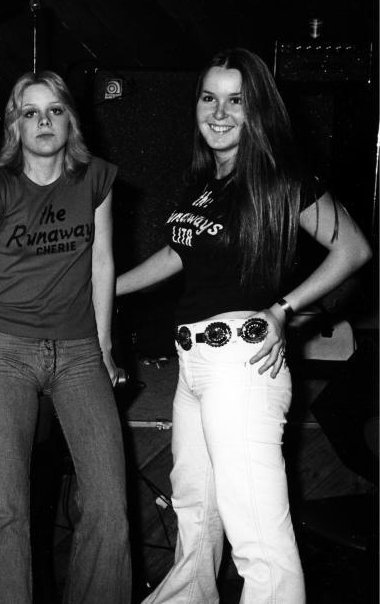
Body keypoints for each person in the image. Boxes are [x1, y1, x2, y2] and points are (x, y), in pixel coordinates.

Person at [117, 47, 372, 603]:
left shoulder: (280, 178)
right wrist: (107, 287)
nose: (220, 112)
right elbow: (180, 252)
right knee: (195, 520)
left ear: (260, 111)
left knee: (257, 540)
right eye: (210, 98)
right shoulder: (208, 180)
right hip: (194, 367)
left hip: (242, 366)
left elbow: (352, 249)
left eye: (238, 101)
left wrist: (283, 310)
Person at [0, 71, 131, 603]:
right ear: (16, 125)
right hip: (5, 352)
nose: (44, 122)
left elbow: (102, 265)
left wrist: (104, 349)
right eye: (31, 113)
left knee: (107, 506)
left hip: (77, 353)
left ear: (69, 117)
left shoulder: (95, 178)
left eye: (53, 110)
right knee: (3, 508)